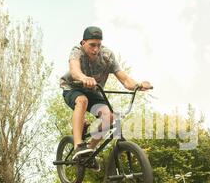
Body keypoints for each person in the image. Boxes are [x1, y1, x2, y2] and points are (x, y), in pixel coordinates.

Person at [60, 26, 152, 161]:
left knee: (109, 117)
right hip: (73, 88)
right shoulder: (76, 52)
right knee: (82, 101)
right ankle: (78, 145)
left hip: (93, 91)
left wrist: (138, 85)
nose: (95, 49)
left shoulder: (107, 56)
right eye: (92, 45)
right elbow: (74, 71)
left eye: (98, 45)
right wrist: (83, 78)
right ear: (83, 43)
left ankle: (89, 151)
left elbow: (125, 80)